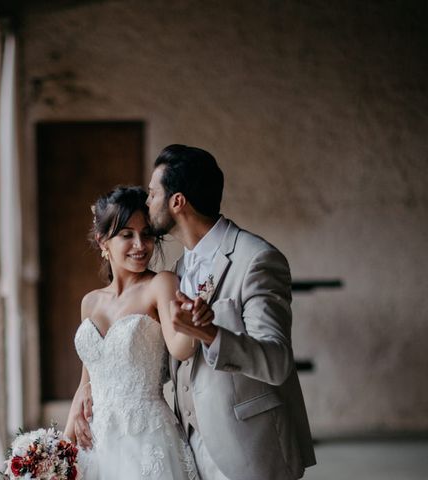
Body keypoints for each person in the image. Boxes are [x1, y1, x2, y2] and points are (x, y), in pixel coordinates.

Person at [74, 145, 317, 480]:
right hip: (183, 446)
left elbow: (277, 362)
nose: (147, 202)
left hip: (247, 447)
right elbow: (149, 362)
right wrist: (90, 387)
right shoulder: (179, 268)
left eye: (153, 193)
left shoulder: (255, 259)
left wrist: (210, 333)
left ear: (177, 202)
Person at [64, 186, 208, 479]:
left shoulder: (161, 284)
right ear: (103, 241)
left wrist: (195, 324)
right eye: (127, 234)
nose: (140, 244)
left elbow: (180, 347)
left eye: (147, 234)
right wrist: (62, 446)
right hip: (97, 443)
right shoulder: (89, 302)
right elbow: (87, 381)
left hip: (146, 441)